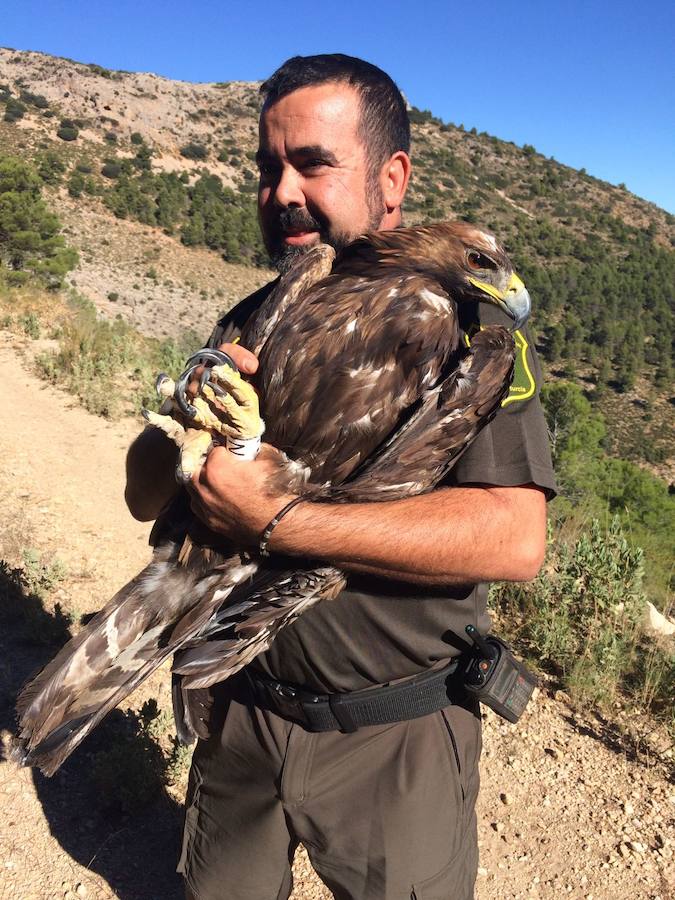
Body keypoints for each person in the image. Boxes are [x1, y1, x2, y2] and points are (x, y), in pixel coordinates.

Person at [125, 54, 556, 900]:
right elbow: (145, 496)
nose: (282, 190)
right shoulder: (254, 315)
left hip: (389, 738)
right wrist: (184, 412)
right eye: (266, 167)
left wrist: (276, 520)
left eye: (313, 164)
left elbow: (513, 538)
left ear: (390, 179)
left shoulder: (465, 337)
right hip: (237, 706)